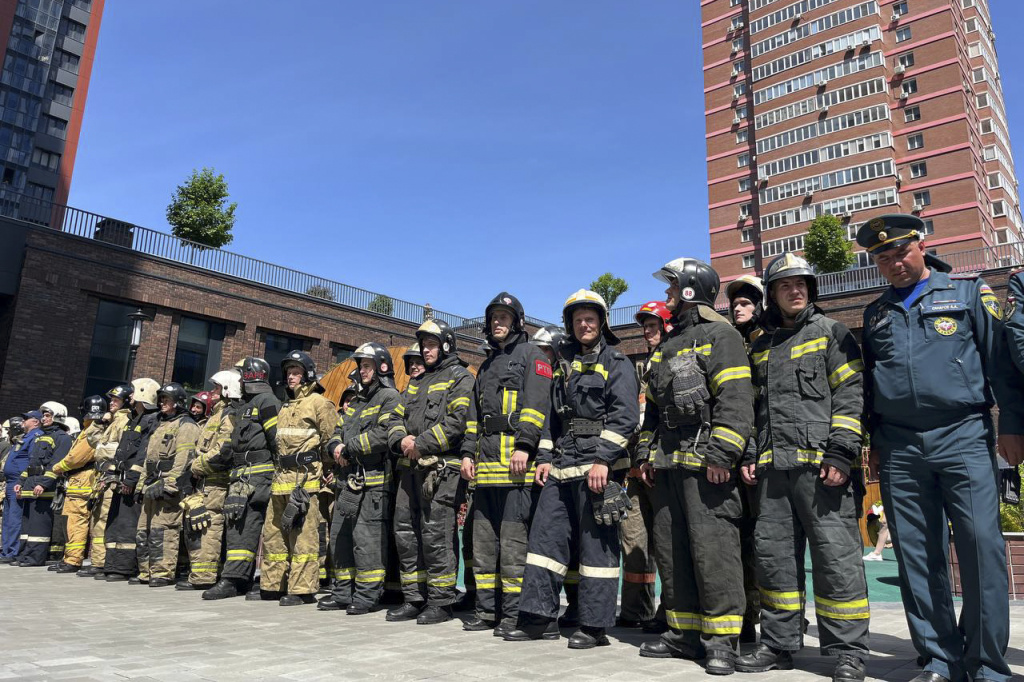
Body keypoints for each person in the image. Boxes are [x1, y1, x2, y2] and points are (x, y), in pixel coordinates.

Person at [858, 214, 1013, 682]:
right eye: (883, 257)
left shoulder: (967, 293)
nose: (894, 262)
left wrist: (1012, 426)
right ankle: (940, 660)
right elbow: (870, 384)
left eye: (900, 252)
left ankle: (986, 663)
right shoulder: (876, 312)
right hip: (900, 445)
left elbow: (1000, 363)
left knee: (981, 548)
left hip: (962, 432)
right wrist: (875, 443)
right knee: (916, 554)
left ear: (920, 246)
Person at [736, 253, 869, 681]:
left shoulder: (833, 333)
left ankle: (848, 650)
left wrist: (840, 453)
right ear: (771, 295)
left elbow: (850, 396)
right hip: (773, 472)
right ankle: (779, 644)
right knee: (774, 559)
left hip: (822, 471)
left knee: (837, 559)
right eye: (785, 286)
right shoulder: (760, 347)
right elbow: (753, 410)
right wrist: (750, 453)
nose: (795, 291)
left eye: (802, 284)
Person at [635, 258, 753, 675]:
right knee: (672, 552)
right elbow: (651, 414)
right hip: (667, 466)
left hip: (707, 466)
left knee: (714, 553)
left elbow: (736, 401)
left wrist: (723, 455)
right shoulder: (666, 346)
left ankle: (721, 642)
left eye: (671, 290)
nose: (667, 297)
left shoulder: (722, 336)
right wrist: (646, 454)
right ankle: (682, 634)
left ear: (689, 290)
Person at [509, 289, 639, 649]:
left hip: (596, 468)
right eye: (578, 319)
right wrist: (544, 459)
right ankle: (539, 619)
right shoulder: (561, 364)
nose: (584, 324)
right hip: (561, 465)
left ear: (601, 323)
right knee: (544, 543)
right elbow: (551, 417)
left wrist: (603, 460)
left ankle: (595, 627)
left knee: (597, 550)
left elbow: (625, 417)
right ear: (569, 324)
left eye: (591, 318)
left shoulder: (617, 362)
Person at [459, 294, 551, 635]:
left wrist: (525, 445)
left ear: (517, 322)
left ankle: (513, 615)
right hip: (485, 473)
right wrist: (468, 454)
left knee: (514, 547)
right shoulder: (484, 367)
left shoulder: (533, 357)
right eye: (494, 317)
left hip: (515, 471)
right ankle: (487, 612)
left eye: (504, 317)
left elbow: (537, 405)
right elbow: (473, 417)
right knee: (483, 546)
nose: (498, 322)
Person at [385, 321, 474, 624]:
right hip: (409, 468)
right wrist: (401, 439)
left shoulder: (460, 377)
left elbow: (459, 421)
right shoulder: (416, 381)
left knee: (436, 534)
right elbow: (395, 418)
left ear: (447, 344)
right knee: (406, 533)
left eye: (431, 344)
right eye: (423, 344)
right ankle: (414, 597)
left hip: (441, 471)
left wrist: (420, 443)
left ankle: (441, 602)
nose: (425, 349)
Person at [320, 343, 402, 615]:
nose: (362, 371)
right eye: (360, 366)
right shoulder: (355, 402)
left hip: (374, 484)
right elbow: (336, 431)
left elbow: (384, 435)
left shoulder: (390, 397)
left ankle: (367, 596)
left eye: (367, 366)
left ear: (381, 367)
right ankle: (343, 592)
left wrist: (349, 447)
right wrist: (335, 448)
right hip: (347, 483)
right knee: (341, 540)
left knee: (366, 541)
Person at [260, 350, 336, 605]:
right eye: (289, 373)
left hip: (305, 481)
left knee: (303, 537)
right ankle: (273, 585)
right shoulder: (285, 406)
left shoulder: (319, 403)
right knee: (273, 535)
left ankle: (302, 590)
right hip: (281, 480)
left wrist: (327, 470)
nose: (291, 378)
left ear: (308, 376)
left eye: (296, 373)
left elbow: (330, 440)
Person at [201, 358, 281, 600]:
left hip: (260, 475)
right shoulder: (245, 406)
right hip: (240, 476)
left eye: (241, 373)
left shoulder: (267, 401)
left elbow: (277, 440)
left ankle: (242, 580)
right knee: (237, 527)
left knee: (253, 529)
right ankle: (237, 580)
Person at [618, 301, 671, 632]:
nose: (648, 332)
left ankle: (671, 612)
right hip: (638, 472)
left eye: (654, 326)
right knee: (633, 542)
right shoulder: (643, 368)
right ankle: (636, 609)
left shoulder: (676, 359)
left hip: (664, 470)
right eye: (645, 327)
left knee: (668, 544)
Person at [725, 274, 766, 643]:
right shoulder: (730, 343)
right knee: (740, 541)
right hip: (736, 456)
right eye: (735, 303)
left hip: (762, 457)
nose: (738, 308)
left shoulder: (767, 340)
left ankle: (783, 618)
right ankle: (747, 618)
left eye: (746, 303)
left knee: (766, 543)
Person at [179, 370, 240, 590]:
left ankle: (204, 578)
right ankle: (199, 575)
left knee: (209, 528)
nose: (212, 392)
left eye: (216, 388)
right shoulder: (216, 414)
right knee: (199, 527)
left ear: (226, 390)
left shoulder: (228, 415)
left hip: (216, 483)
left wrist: (197, 466)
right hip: (205, 482)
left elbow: (224, 449)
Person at [136, 383, 201, 587]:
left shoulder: (186, 426)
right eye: (161, 398)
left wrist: (169, 484)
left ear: (178, 402)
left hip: (168, 489)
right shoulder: (160, 424)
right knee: (143, 531)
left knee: (162, 530)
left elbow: (184, 459)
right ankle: (146, 572)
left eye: (167, 399)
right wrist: (140, 486)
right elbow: (149, 459)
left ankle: (162, 573)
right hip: (151, 485)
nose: (163, 402)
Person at [103, 378, 161, 582]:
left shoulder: (151, 420)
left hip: (131, 482)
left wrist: (131, 480)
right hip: (119, 479)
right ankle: (110, 564)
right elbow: (121, 451)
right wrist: (111, 473)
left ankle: (124, 568)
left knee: (128, 525)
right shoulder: (133, 419)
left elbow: (143, 454)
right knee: (114, 524)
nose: (129, 396)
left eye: (133, 392)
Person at [78, 384, 134, 579]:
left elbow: (115, 449)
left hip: (111, 476)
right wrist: (100, 423)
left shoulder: (125, 419)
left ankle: (102, 562)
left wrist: (105, 448)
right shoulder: (111, 420)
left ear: (126, 401)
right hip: (101, 476)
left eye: (116, 400)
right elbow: (94, 441)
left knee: (104, 519)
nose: (111, 403)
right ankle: (97, 561)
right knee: (97, 519)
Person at [48, 396, 108, 573]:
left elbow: (76, 458)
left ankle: (73, 560)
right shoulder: (96, 428)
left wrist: (58, 467)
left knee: (75, 521)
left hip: (81, 482)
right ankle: (75, 558)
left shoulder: (90, 431)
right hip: (84, 481)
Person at [15, 402, 73, 567]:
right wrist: (21, 482)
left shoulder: (63, 438)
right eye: (44, 415)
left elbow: (56, 464)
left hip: (43, 489)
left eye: (48, 415)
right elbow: (32, 463)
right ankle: (24, 555)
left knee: (38, 527)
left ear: (57, 417)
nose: (44, 418)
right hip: (30, 487)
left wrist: (44, 484)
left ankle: (35, 558)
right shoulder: (40, 436)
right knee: (27, 527)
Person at [1, 413, 36, 563]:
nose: (23, 422)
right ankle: (5, 550)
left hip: (17, 482)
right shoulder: (23, 438)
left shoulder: (34, 437)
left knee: (15, 519)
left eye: (25, 419)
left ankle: (13, 552)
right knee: (7, 519)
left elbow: (31, 460)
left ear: (35, 421)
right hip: (9, 482)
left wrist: (22, 481)